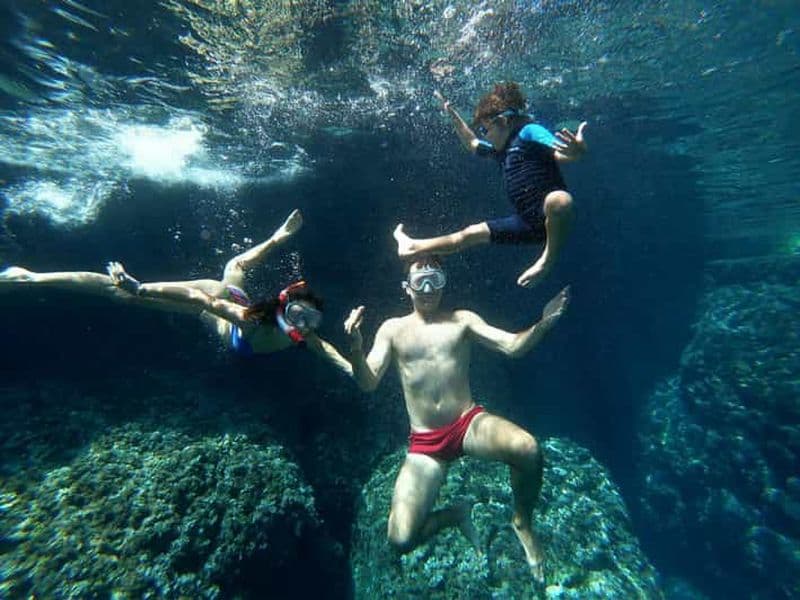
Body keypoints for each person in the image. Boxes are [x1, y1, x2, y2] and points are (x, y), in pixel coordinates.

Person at [343, 255, 569, 581]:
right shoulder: (392, 329)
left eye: (434, 279)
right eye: (419, 281)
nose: (428, 288)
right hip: (425, 444)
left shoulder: (462, 320)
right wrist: (354, 350)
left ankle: (522, 521)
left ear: (444, 282)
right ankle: (454, 516)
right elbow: (368, 383)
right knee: (400, 539)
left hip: (468, 424)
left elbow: (512, 346)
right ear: (406, 288)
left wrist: (543, 323)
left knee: (528, 449)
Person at [0, 209, 352, 373]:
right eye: (299, 317)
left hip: (230, 293)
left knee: (235, 268)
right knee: (118, 293)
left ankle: (277, 237)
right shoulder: (250, 321)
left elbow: (338, 359)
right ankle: (32, 278)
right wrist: (140, 288)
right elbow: (200, 300)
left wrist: (359, 365)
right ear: (283, 308)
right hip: (215, 305)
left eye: (311, 321)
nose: (303, 326)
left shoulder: (303, 337)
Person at [393, 82, 588, 288]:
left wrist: (575, 150)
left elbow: (560, 152)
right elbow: (471, 142)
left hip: (554, 218)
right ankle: (414, 247)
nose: (484, 135)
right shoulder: (499, 151)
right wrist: (452, 114)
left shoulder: (529, 131)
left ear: (502, 121)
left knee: (560, 200)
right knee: (470, 233)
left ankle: (546, 261)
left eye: (485, 129)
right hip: (526, 224)